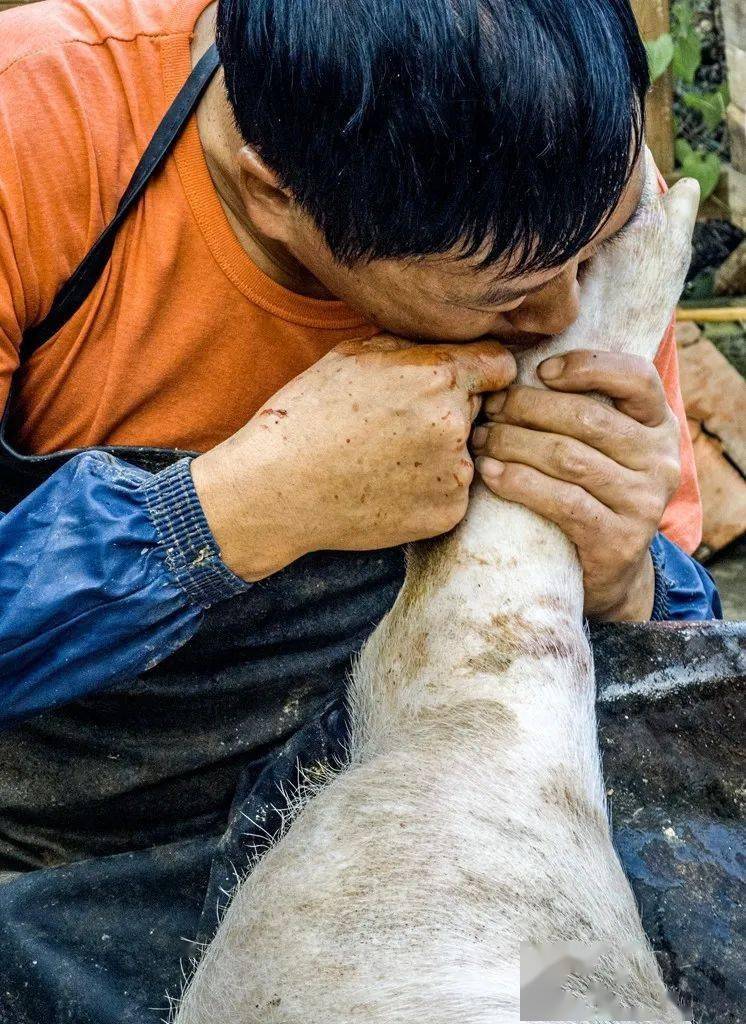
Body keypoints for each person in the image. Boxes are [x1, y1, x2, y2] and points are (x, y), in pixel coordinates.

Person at [0, 0, 720, 1012]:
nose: (561, 318)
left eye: (591, 252)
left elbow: (679, 679)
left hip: (465, 817)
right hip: (85, 848)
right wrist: (228, 513)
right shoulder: (31, 130)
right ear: (273, 192)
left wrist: (627, 575)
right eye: (503, 297)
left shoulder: (562, 169)